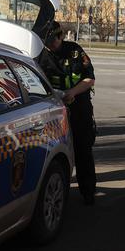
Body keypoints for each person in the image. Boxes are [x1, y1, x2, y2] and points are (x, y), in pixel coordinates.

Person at [38, 21, 97, 205]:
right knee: (53, 153)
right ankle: (57, 192)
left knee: (82, 150)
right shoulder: (42, 56)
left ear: (60, 36)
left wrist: (72, 92)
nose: (50, 45)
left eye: (53, 41)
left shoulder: (75, 52)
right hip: (54, 112)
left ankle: (88, 192)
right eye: (46, 42)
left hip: (79, 109)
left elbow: (90, 79)